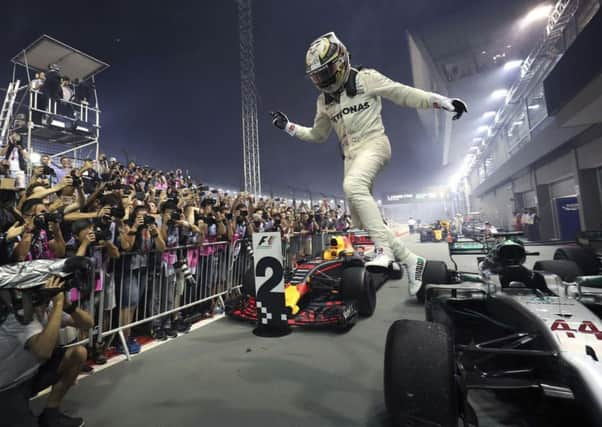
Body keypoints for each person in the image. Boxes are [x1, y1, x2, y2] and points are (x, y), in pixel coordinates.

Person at [270, 32, 467, 294]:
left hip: (375, 144)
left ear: (340, 62)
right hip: (351, 156)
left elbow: (403, 94)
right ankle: (410, 260)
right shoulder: (323, 101)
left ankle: (387, 253)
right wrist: (288, 127)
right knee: (361, 220)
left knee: (353, 186)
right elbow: (318, 135)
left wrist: (442, 102)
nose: (322, 80)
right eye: (316, 76)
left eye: (325, 72)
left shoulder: (366, 78)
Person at [0, 275, 93, 427]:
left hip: (32, 374)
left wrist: (69, 306)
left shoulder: (47, 307)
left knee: (78, 353)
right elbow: (43, 352)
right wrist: (57, 306)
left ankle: (50, 415)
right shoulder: (19, 315)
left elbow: (88, 324)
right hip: (8, 387)